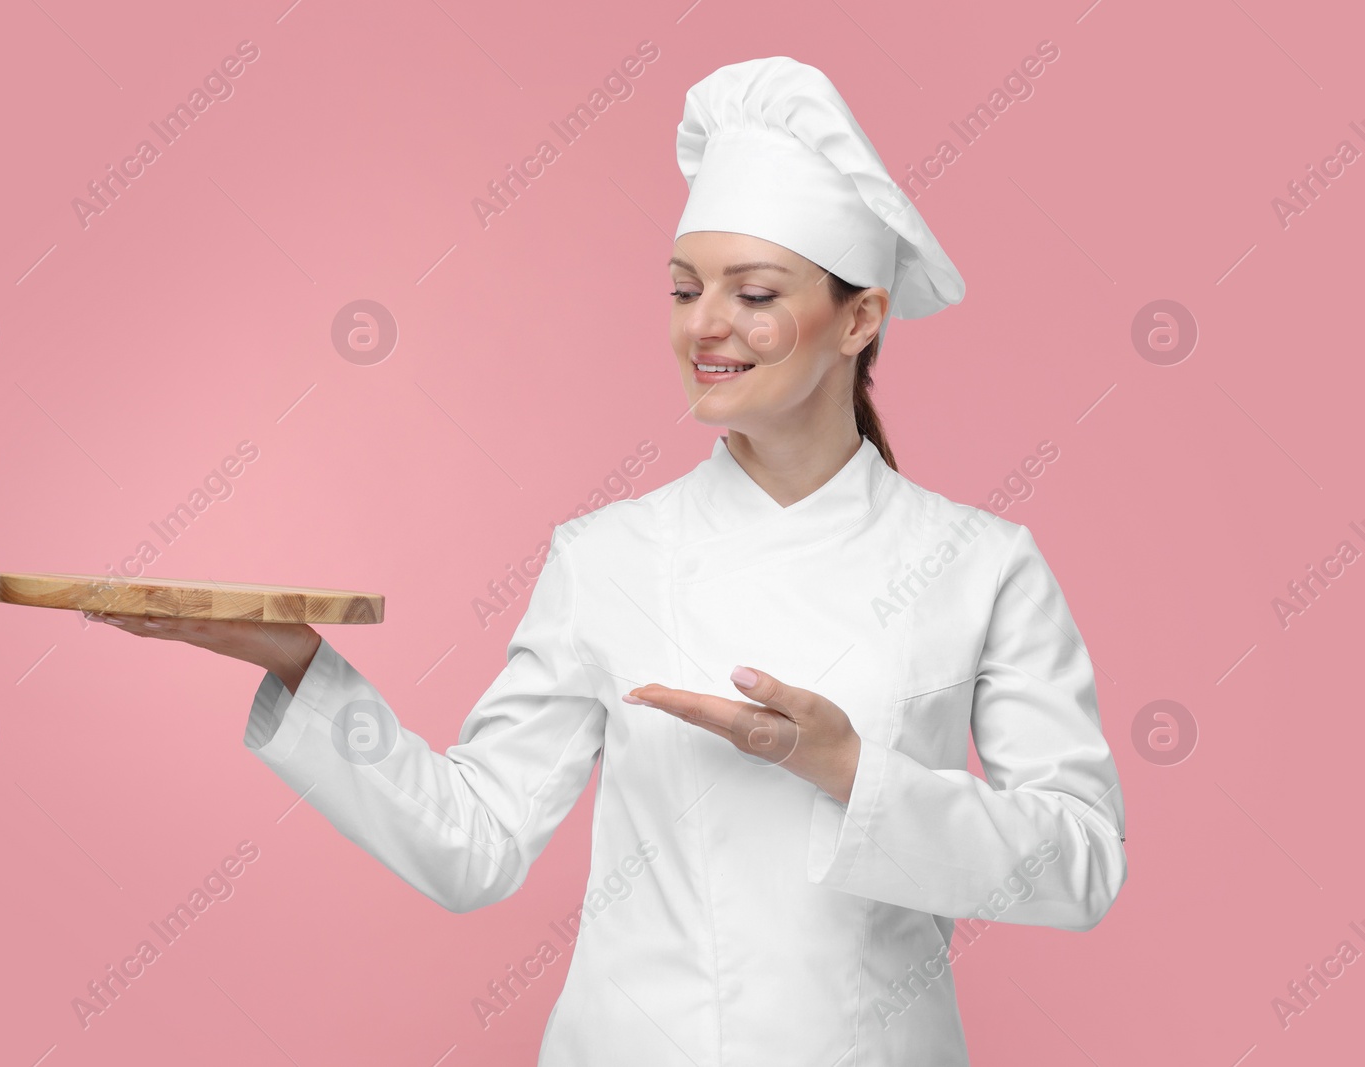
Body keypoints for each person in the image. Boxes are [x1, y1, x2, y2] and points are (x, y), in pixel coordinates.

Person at [91, 55, 1127, 1067]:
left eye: (755, 293)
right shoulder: (607, 555)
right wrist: (297, 663)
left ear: (859, 317)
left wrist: (849, 770)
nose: (705, 326)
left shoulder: (980, 564)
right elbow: (476, 842)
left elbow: (1081, 864)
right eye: (684, 290)